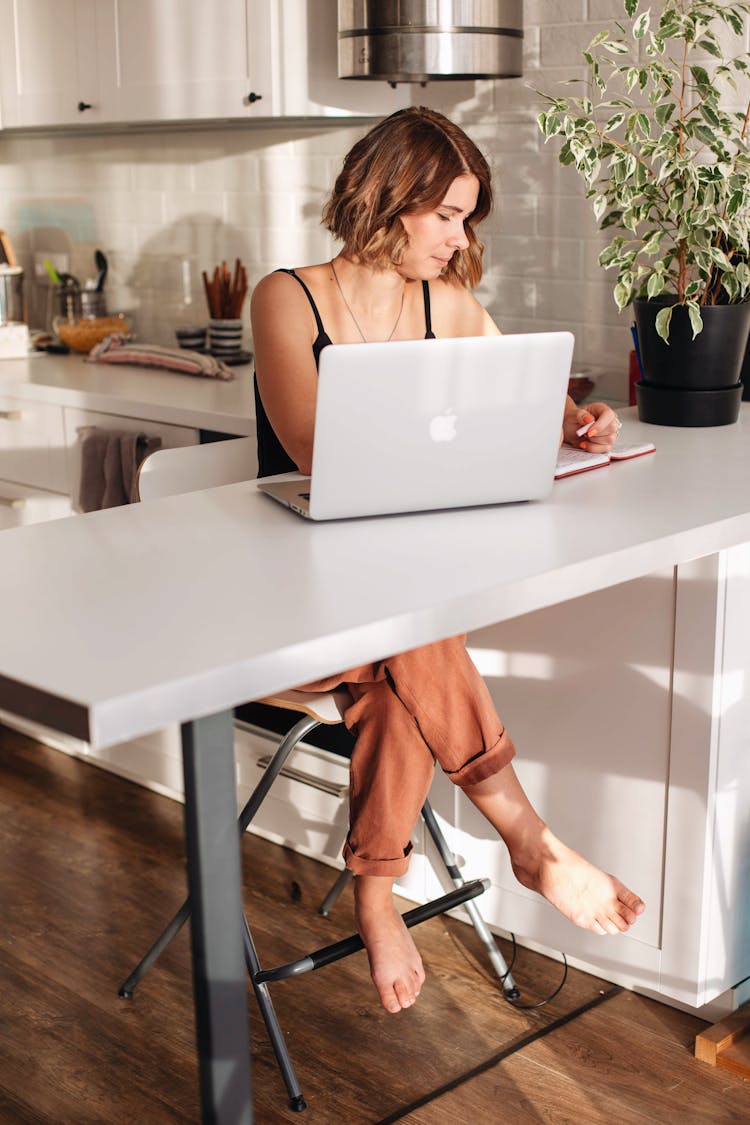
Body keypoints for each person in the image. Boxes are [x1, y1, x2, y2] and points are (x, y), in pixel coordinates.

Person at [250, 106, 645, 1016]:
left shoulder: (448, 303)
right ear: (388, 202)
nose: (459, 236)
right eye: (446, 216)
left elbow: (523, 393)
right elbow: (316, 447)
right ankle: (527, 834)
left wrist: (574, 421)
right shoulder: (288, 297)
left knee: (400, 680)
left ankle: (376, 892)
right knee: (421, 629)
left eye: (466, 216)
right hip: (280, 604)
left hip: (386, 612)